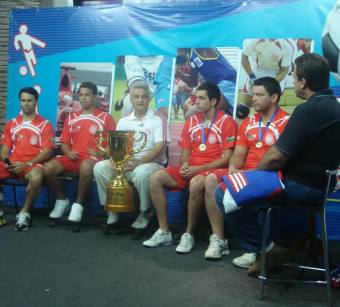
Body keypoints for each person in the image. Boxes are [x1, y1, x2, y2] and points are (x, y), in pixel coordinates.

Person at [215, 53, 340, 276]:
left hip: (300, 187)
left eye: (293, 77)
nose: (293, 82)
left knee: (224, 191)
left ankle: (268, 248)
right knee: (255, 200)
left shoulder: (308, 110)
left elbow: (276, 157)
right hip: (322, 186)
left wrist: (252, 179)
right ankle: (273, 246)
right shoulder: (335, 106)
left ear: (303, 82)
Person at [143, 81, 238, 252]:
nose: (196, 102)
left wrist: (197, 170)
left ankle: (188, 234)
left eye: (201, 98)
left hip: (212, 170)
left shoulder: (227, 121)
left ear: (214, 101)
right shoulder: (191, 121)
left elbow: (227, 158)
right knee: (156, 177)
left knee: (195, 183)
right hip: (192, 169)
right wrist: (185, 163)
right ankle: (164, 231)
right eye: (196, 98)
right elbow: (186, 150)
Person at [204, 77, 290, 263]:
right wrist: (234, 171)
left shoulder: (287, 122)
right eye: (253, 94)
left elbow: (284, 159)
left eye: (259, 95)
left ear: (274, 97)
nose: (253, 99)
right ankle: (248, 246)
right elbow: (238, 155)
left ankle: (254, 247)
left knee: (228, 194)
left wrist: (248, 177)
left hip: (270, 175)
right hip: (248, 175)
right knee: (220, 188)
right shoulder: (248, 122)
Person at [94, 81, 170, 235]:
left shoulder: (158, 118)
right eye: (136, 97)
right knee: (100, 167)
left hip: (151, 164)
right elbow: (117, 147)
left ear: (149, 99)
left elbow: (160, 146)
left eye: (143, 97)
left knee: (141, 172)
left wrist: (138, 162)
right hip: (127, 163)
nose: (140, 100)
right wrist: (114, 160)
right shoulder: (124, 121)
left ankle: (145, 212)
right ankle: (112, 208)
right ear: (131, 99)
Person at [44, 82, 116, 224]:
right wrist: (68, 152)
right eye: (81, 95)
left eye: (87, 95)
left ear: (95, 97)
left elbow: (114, 145)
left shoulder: (106, 118)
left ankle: (78, 205)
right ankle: (62, 200)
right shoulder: (71, 117)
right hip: (72, 157)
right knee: (47, 169)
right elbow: (64, 142)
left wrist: (99, 152)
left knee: (86, 167)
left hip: (92, 159)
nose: (83, 98)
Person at [0, 87, 54, 230]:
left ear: (36, 102)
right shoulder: (12, 124)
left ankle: (24, 213)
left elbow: (47, 152)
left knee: (36, 176)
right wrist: (7, 162)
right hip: (13, 164)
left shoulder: (45, 125)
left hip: (32, 165)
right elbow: (5, 149)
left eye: (29, 100)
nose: (26, 103)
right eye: (23, 100)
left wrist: (27, 164)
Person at [239, 39, 294, 117]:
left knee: (268, 109)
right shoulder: (254, 39)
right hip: (258, 70)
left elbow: (284, 71)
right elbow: (244, 57)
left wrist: (270, 84)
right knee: (242, 110)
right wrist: (252, 76)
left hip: (276, 73)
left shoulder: (287, 45)